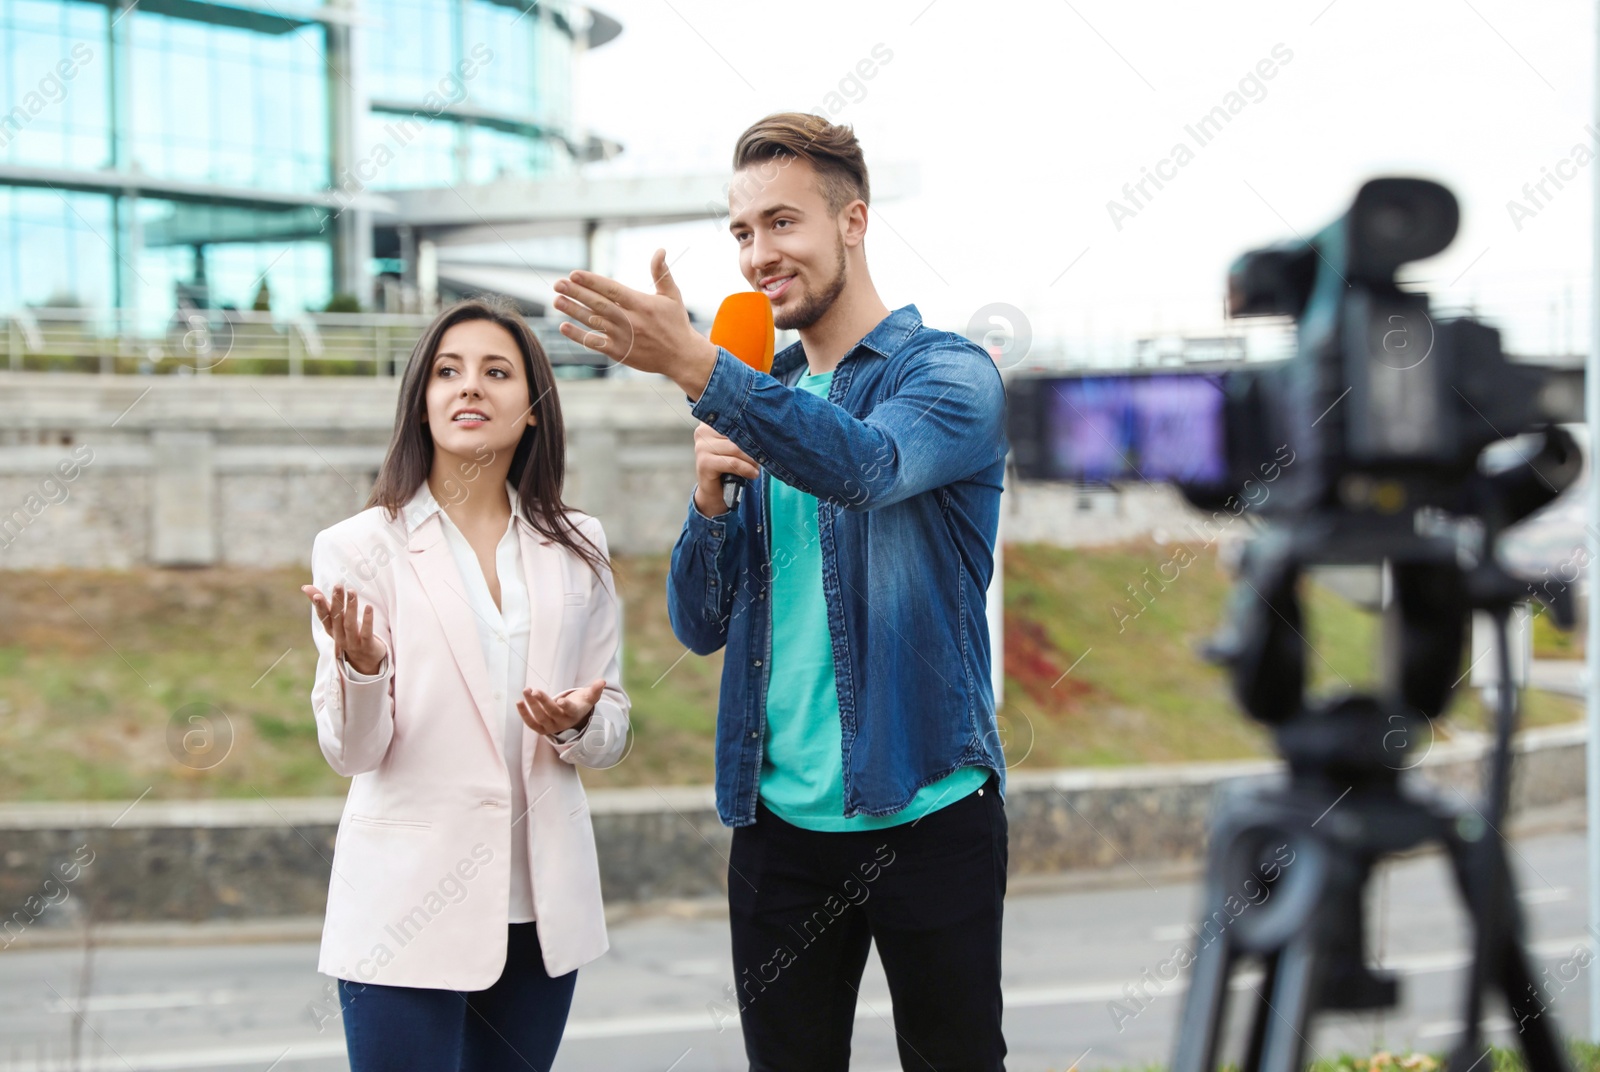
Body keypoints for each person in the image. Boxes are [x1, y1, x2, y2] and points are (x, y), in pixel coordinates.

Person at [551, 112, 1009, 1072]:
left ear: (854, 221)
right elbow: (699, 625)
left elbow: (870, 467)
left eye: (783, 223)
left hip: (927, 807)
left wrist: (695, 367)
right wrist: (708, 504)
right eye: (742, 232)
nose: (759, 254)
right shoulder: (755, 387)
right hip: (779, 832)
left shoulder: (950, 377)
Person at [300, 298, 629, 1072]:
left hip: (541, 913)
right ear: (422, 401)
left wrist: (580, 722)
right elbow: (351, 754)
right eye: (448, 372)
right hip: (405, 908)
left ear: (535, 409)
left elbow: (612, 725)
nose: (469, 387)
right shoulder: (356, 548)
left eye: (495, 372)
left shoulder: (580, 545)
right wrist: (362, 669)